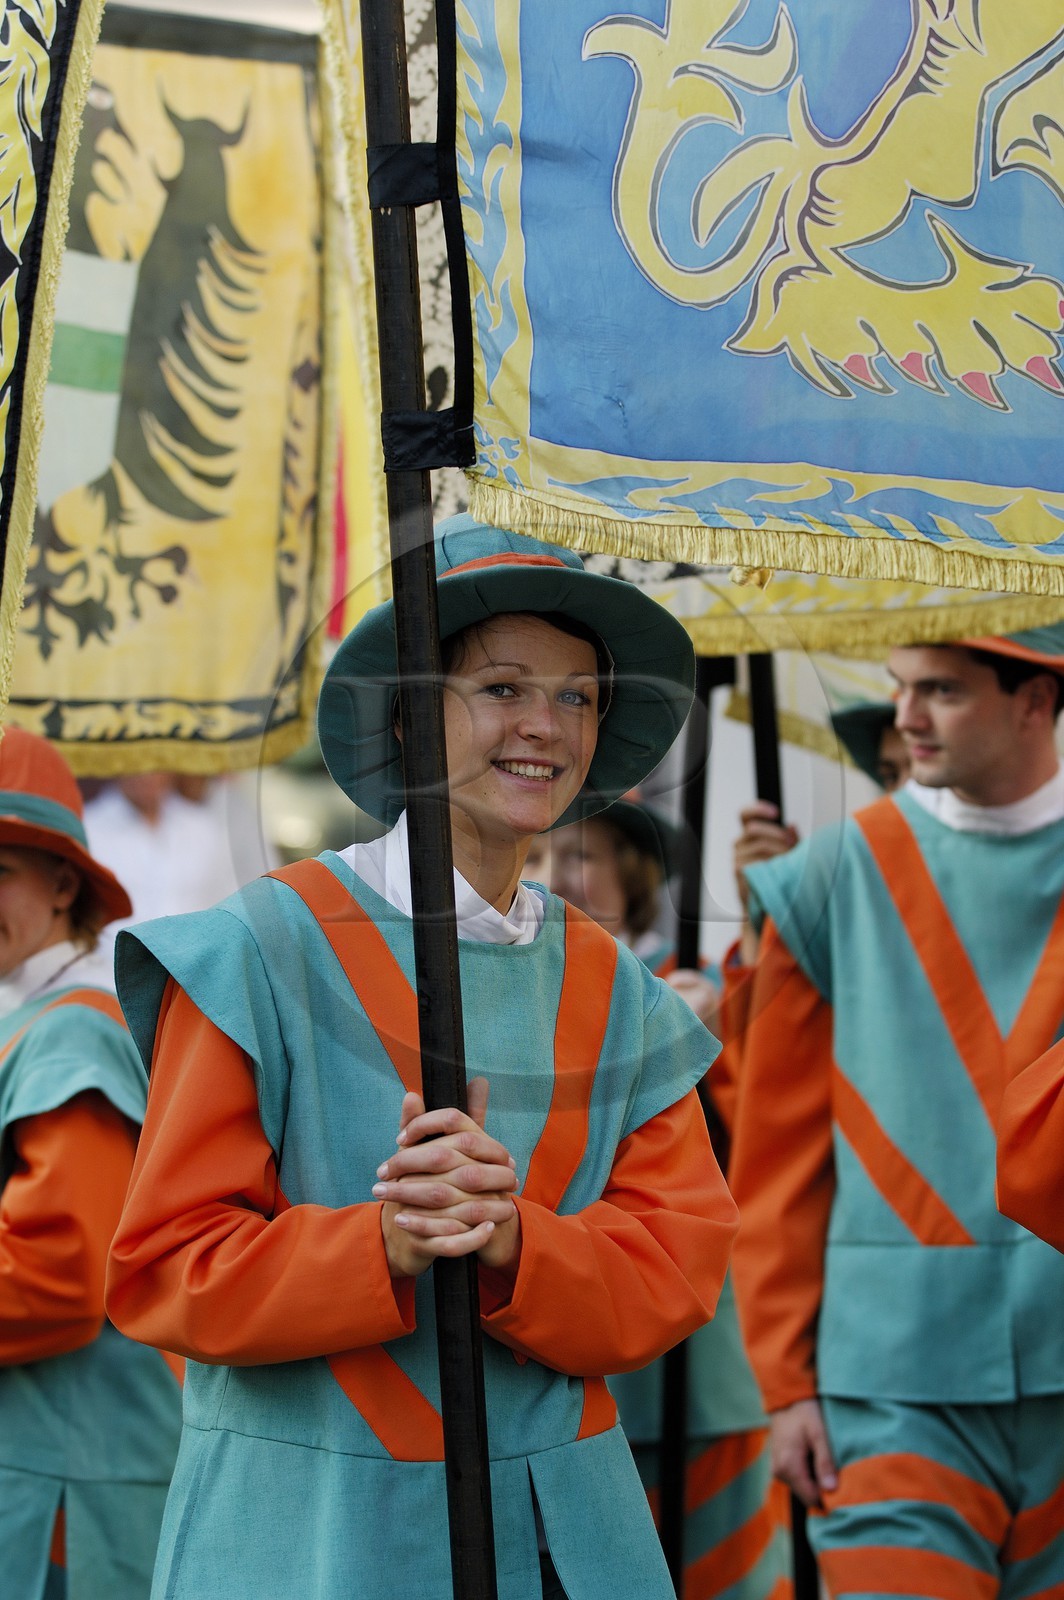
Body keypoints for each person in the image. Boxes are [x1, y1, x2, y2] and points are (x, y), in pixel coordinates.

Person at [105, 516, 739, 1600]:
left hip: (557, 1533)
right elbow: (167, 1268)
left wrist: (515, 1242)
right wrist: (384, 1242)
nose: (543, 725)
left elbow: (674, 1268)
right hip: (308, 1534)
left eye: (576, 695)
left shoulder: (619, 992)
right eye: (501, 687)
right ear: (406, 712)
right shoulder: (256, 949)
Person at [727, 624, 1064, 1599]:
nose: (905, 715)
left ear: (1036, 700)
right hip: (888, 1385)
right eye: (901, 685)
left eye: (942, 690)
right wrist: (784, 1383)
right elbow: (776, 1159)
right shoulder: (824, 876)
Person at [526, 800, 792, 1600]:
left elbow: (778, 1125)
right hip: (554, 1372)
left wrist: (713, 1034)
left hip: (700, 1373)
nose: (552, 878)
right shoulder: (497, 996)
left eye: (579, 856)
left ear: (635, 875)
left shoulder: (702, 986)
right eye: (534, 857)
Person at [0, 728, 182, 1600]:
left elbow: (57, 1277)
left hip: (68, 1489)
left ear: (64, 885)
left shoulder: (70, 1025)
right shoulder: (35, 1015)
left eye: (0, 871)